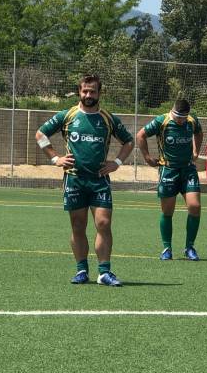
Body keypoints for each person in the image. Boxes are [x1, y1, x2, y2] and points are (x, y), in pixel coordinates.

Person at [35, 75, 134, 287]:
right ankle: (81, 270)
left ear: (100, 93)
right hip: (74, 180)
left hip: (99, 180)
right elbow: (40, 134)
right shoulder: (68, 115)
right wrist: (55, 158)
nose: (88, 95)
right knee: (78, 226)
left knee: (103, 223)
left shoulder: (108, 118)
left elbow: (129, 141)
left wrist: (116, 162)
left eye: (93, 92)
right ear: (79, 92)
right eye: (85, 91)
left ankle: (104, 272)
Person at [136, 99, 204, 261]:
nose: (180, 120)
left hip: (188, 169)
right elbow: (141, 135)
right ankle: (167, 248)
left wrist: (196, 151)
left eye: (183, 118)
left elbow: (199, 133)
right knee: (168, 212)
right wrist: (147, 157)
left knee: (195, 206)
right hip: (168, 170)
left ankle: (189, 247)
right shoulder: (162, 121)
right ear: (172, 112)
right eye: (177, 117)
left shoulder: (192, 121)